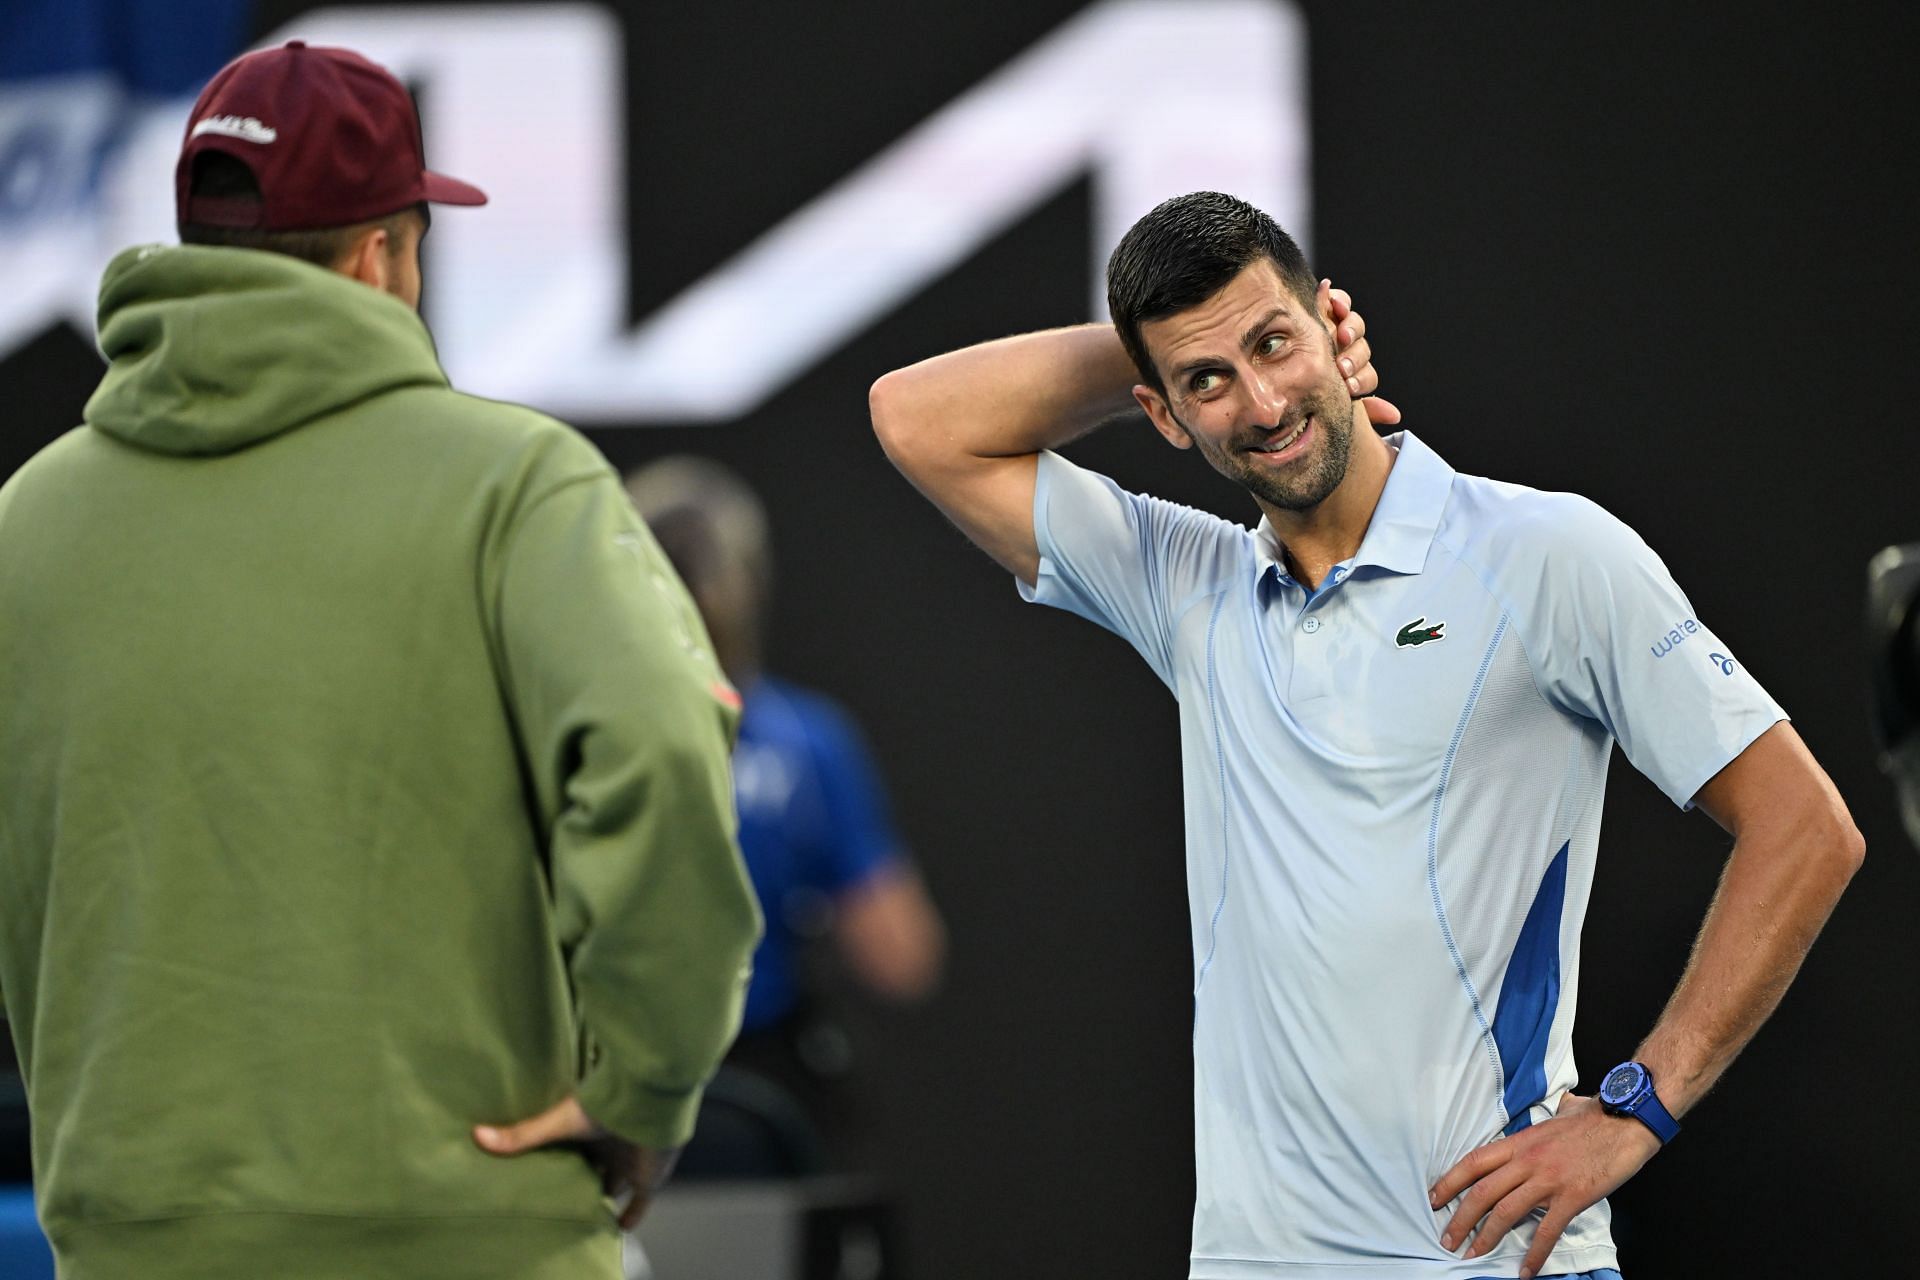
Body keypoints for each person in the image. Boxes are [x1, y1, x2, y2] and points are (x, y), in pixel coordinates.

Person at [868, 190, 1863, 1280]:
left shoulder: (1548, 552)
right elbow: (917, 416)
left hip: (1495, 1262)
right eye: (1209, 381)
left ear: (1332, 329)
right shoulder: (1185, 583)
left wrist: (1640, 1106)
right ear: (1163, 416)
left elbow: (1806, 827)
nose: (1261, 400)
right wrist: (1150, 355)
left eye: (1274, 341)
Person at [0, 41, 760, 1280]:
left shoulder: (24, 524)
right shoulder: (520, 487)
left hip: (136, 1243)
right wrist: (645, 1085)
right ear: (380, 257)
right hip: (476, 1237)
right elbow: (666, 755)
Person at [626, 456, 945, 1174]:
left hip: (614, 1096)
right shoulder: (805, 745)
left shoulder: (573, 737)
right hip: (756, 1103)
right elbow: (902, 956)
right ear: (749, 585)